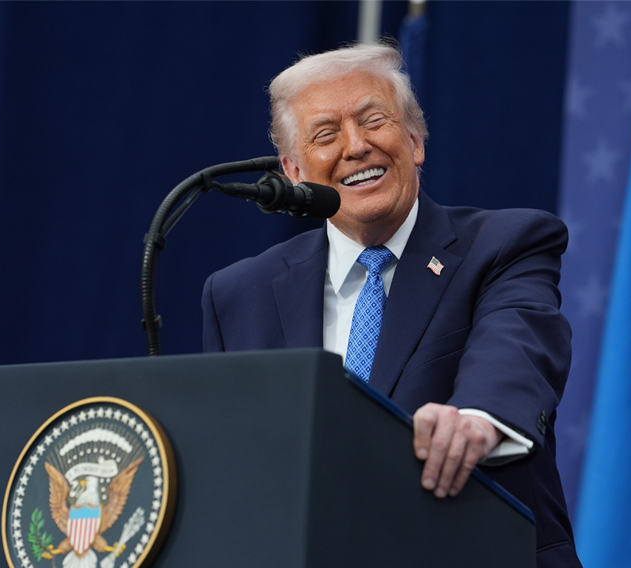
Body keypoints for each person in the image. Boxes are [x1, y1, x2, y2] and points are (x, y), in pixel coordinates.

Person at [202, 43, 580, 567]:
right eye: (326, 134)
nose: (356, 146)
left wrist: (475, 420)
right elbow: (232, 465)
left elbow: (516, 348)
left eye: (374, 121)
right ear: (293, 171)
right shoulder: (240, 294)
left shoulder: (506, 243)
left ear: (415, 141)